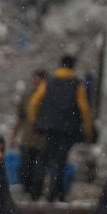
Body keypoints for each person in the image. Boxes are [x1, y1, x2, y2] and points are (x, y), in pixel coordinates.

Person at [26, 55, 94, 202]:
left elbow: (34, 101)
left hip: (47, 128)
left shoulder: (48, 81)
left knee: (42, 160)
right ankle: (53, 195)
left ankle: (35, 193)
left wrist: (34, 121)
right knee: (60, 161)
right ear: (72, 66)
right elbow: (84, 108)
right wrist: (88, 129)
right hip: (67, 130)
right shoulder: (77, 84)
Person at [10, 69, 47, 193]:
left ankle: (34, 193)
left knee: (38, 171)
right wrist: (13, 135)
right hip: (26, 139)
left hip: (42, 141)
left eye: (39, 81)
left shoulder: (48, 98)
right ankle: (26, 190)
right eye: (35, 80)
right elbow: (20, 118)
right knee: (25, 168)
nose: (36, 83)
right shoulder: (27, 96)